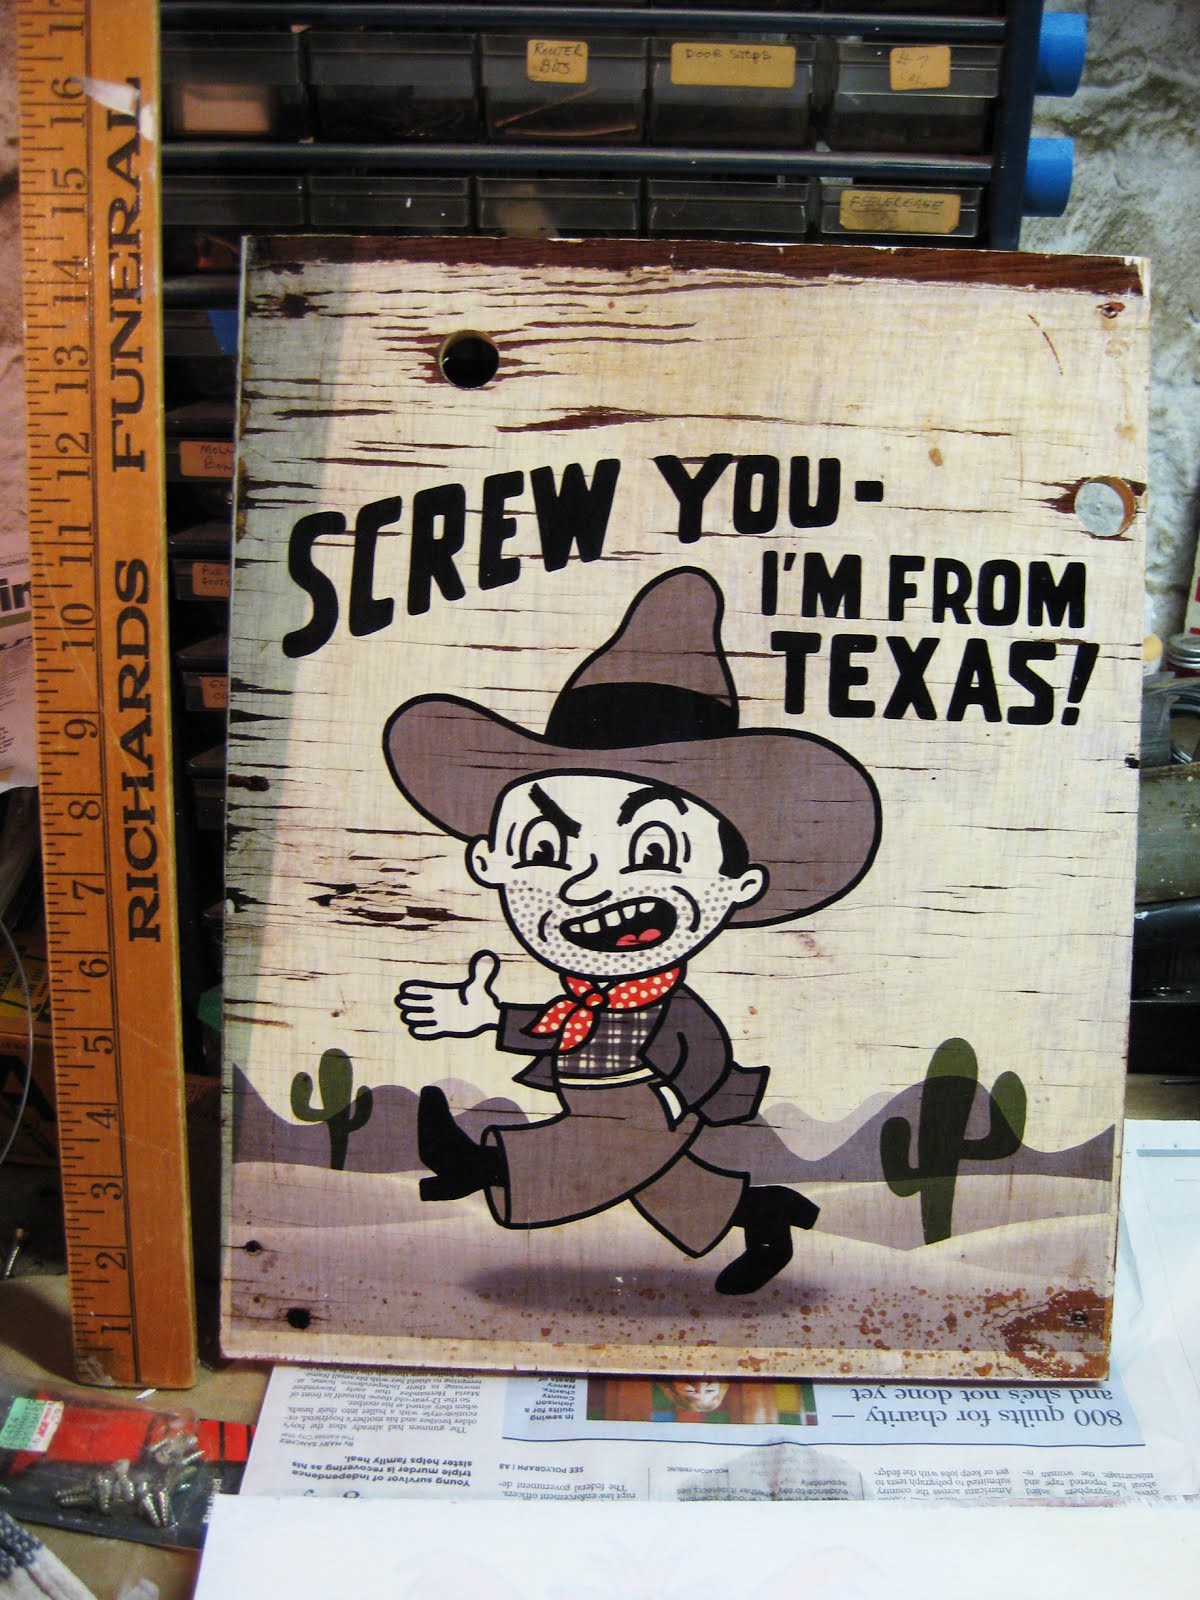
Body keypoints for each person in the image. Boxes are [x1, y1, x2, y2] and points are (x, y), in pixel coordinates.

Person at [385, 567, 880, 1295]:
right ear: (489, 860)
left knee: (589, 1154)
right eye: (547, 847)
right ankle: (765, 1214)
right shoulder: (585, 993)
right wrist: (486, 1015)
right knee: (678, 1194)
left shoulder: (662, 1002)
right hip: (608, 1102)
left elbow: (700, 1046)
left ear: (736, 887)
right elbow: (561, 1024)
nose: (588, 885)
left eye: (651, 851)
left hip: (640, 1107)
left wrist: (701, 1103)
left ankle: (478, 1166)